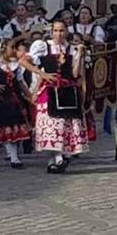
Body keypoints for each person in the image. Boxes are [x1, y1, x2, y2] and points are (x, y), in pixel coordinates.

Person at [23, 20, 88, 173]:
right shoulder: (44, 46)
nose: (59, 34)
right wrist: (42, 73)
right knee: (53, 124)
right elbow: (24, 61)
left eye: (62, 30)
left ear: (67, 31)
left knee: (65, 124)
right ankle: (60, 157)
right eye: (56, 31)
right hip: (50, 90)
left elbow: (75, 74)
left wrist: (80, 56)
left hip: (67, 89)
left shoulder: (72, 48)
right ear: (52, 32)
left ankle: (53, 161)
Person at [0, 38, 32, 169]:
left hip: (12, 101)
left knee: (13, 128)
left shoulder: (15, 66)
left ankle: (14, 157)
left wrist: (30, 97)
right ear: (3, 49)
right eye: (12, 47)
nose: (14, 50)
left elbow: (20, 83)